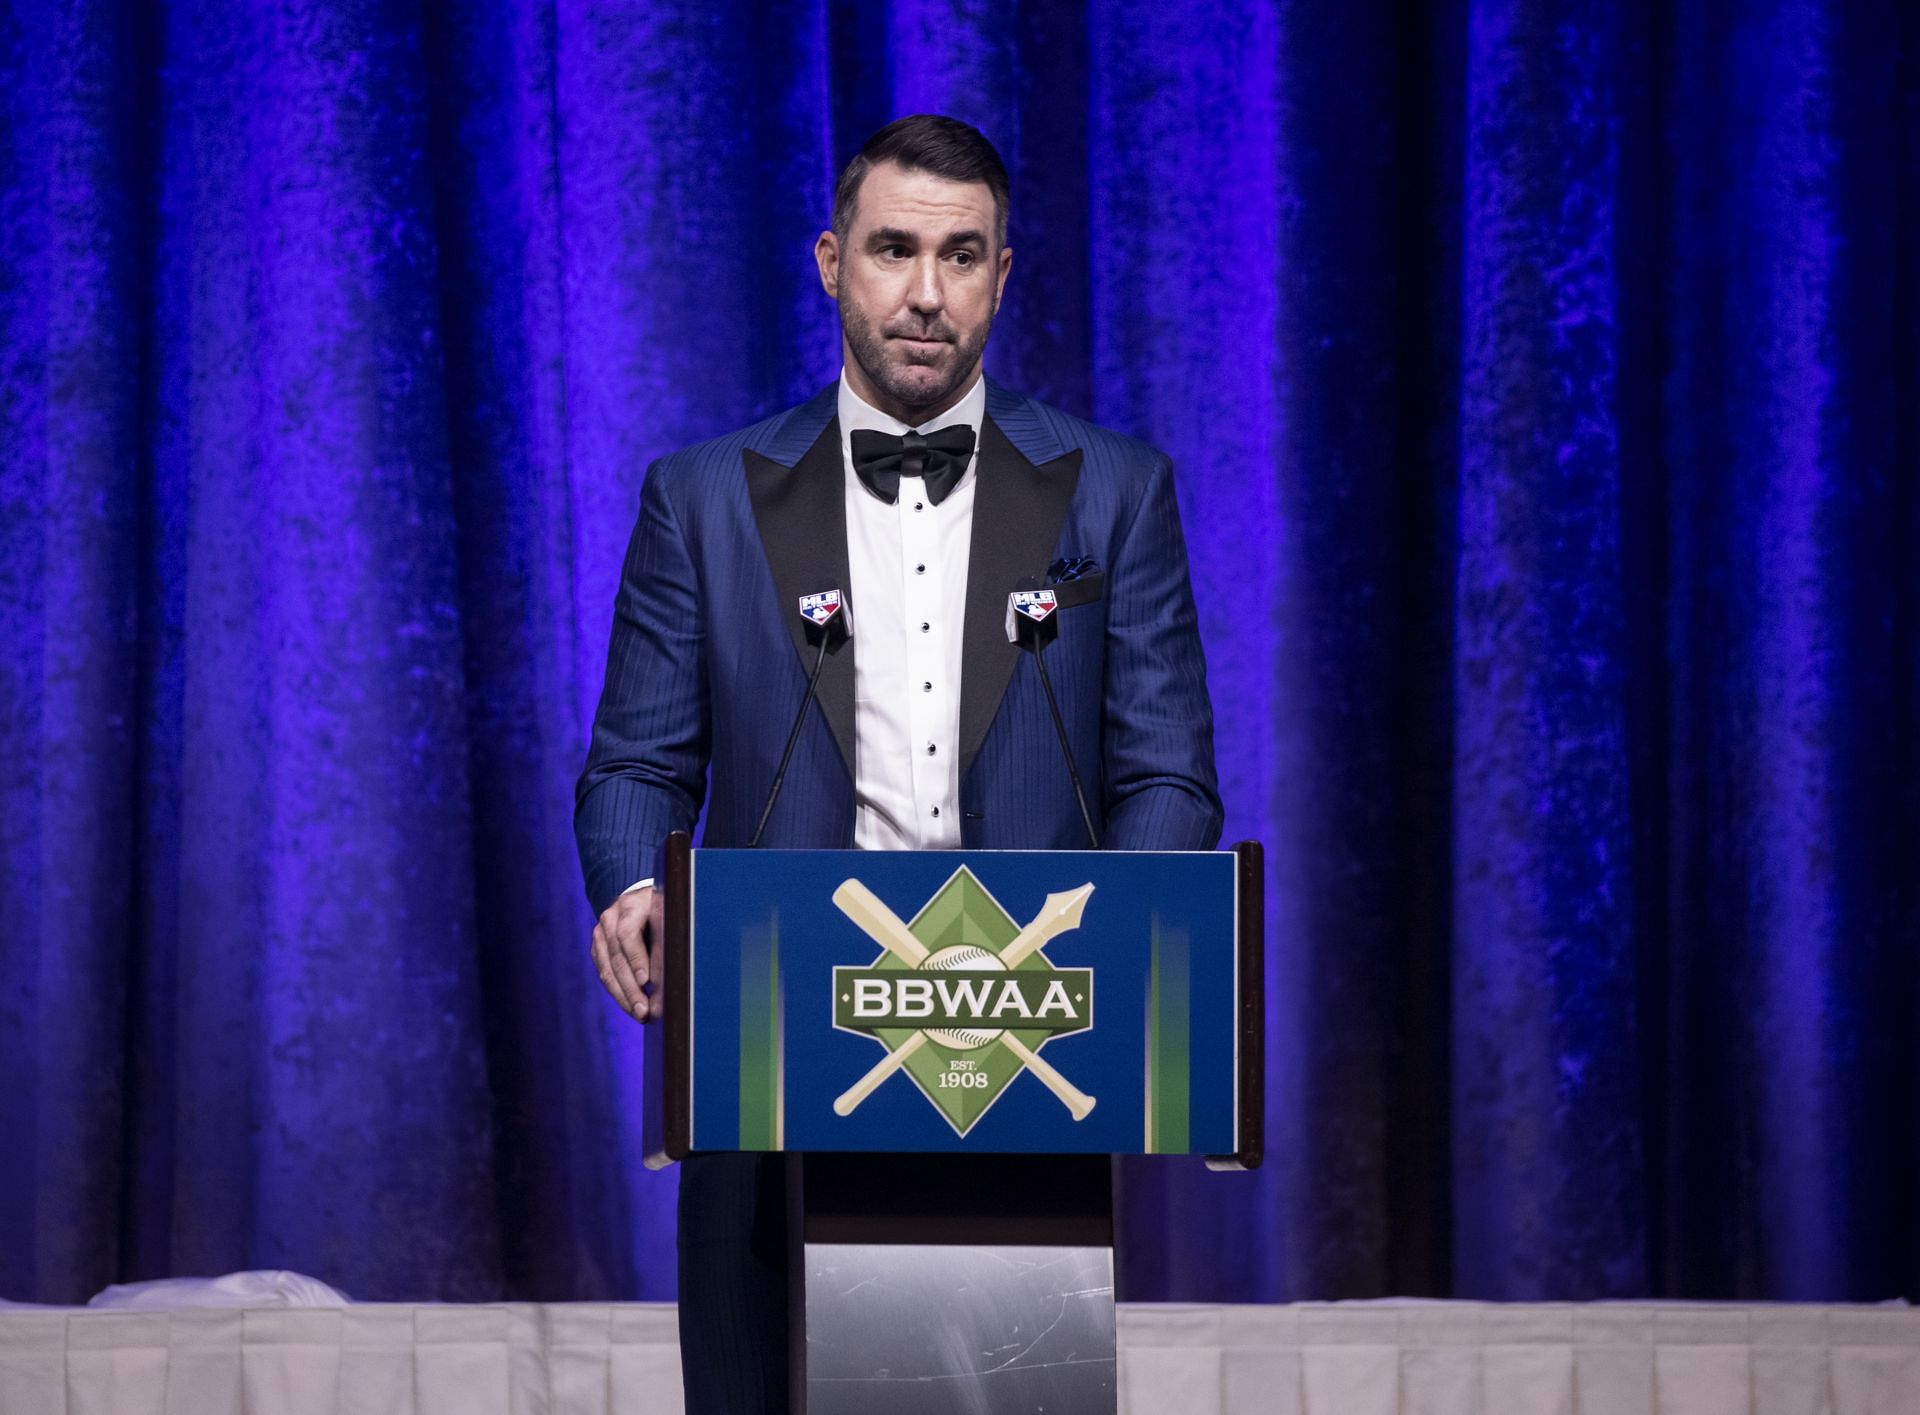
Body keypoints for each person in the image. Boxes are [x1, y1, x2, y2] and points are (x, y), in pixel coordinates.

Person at [575, 113, 1221, 1415]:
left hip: (1027, 1065)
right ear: (831, 261)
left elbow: (1170, 780)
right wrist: (635, 886)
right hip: (768, 1073)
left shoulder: (1115, 490)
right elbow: (637, 763)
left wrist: (1106, 952)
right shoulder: (700, 498)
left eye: (962, 255)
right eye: (893, 250)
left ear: (1003, 273)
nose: (926, 292)